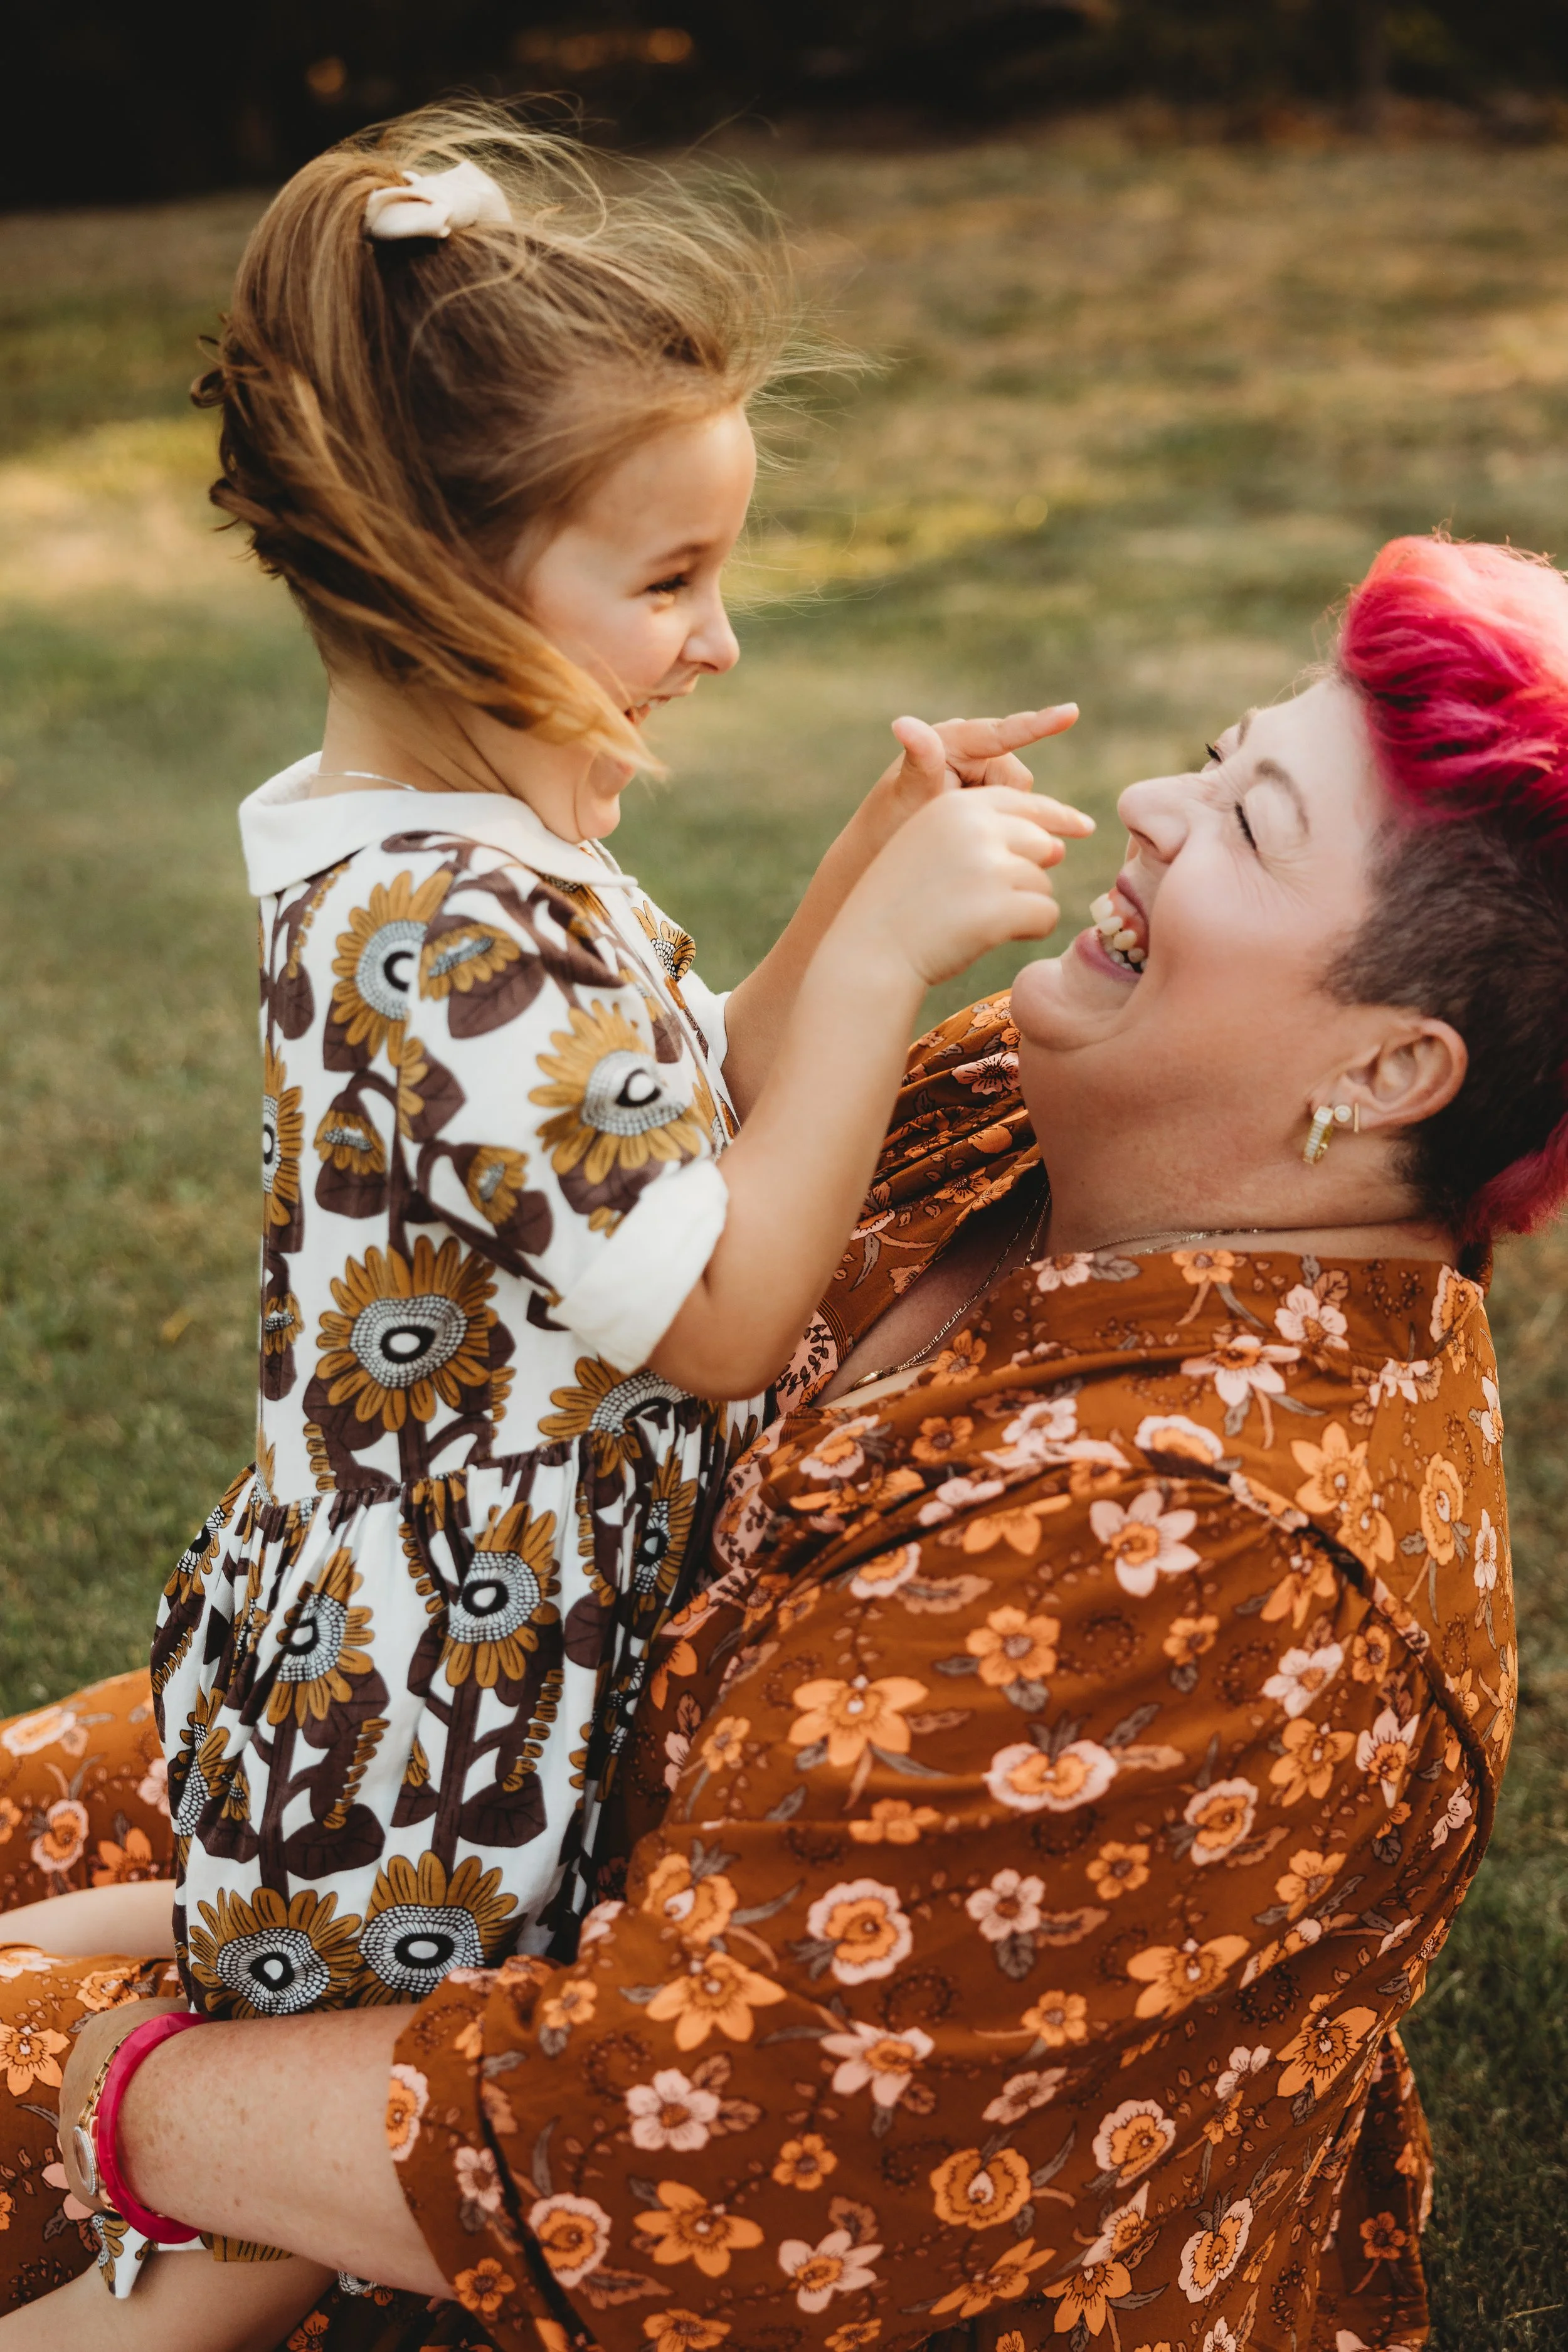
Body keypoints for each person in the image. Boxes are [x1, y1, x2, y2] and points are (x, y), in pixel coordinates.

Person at [4, 527, 1552, 2349]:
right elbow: (661, 1187)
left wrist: (97, 2079)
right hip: (473, 1781)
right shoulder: (1029, 1103)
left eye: (1249, 819)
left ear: (1385, 1072)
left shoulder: (1211, 1568)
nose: (1148, 799)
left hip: (613, 2173)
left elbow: (676, 2162)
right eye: (1218, 750)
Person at [0, 105, 1092, 2351]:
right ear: (432, 564)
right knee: (276, 2230)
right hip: (428, 1722)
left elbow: (691, 1107)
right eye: (667, 579)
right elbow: (707, 1306)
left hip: (412, 1675)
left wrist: (853, 874)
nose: (716, 637)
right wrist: (888, 966)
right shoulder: (445, 927)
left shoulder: (464, 845)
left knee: (252, 1951)